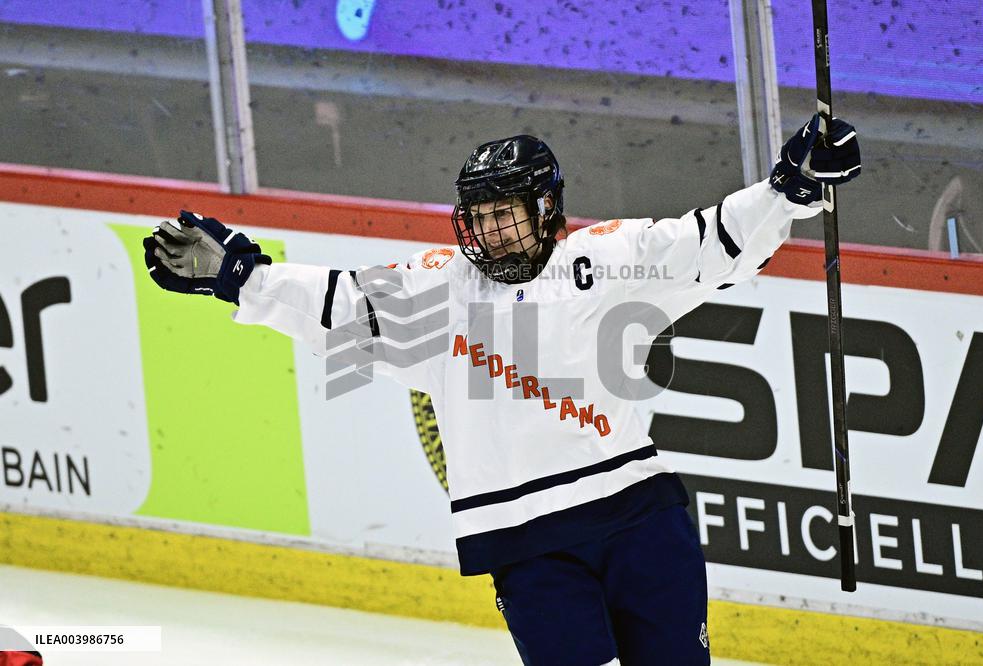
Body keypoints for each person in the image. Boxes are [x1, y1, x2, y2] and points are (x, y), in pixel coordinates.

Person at [143, 114, 861, 665]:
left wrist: (788, 187)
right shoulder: (442, 291)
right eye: (477, 218)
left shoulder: (606, 261)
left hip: (640, 517)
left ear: (545, 208)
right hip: (527, 543)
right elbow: (340, 305)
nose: (486, 235)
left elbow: (711, 241)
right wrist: (240, 276)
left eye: (502, 215)